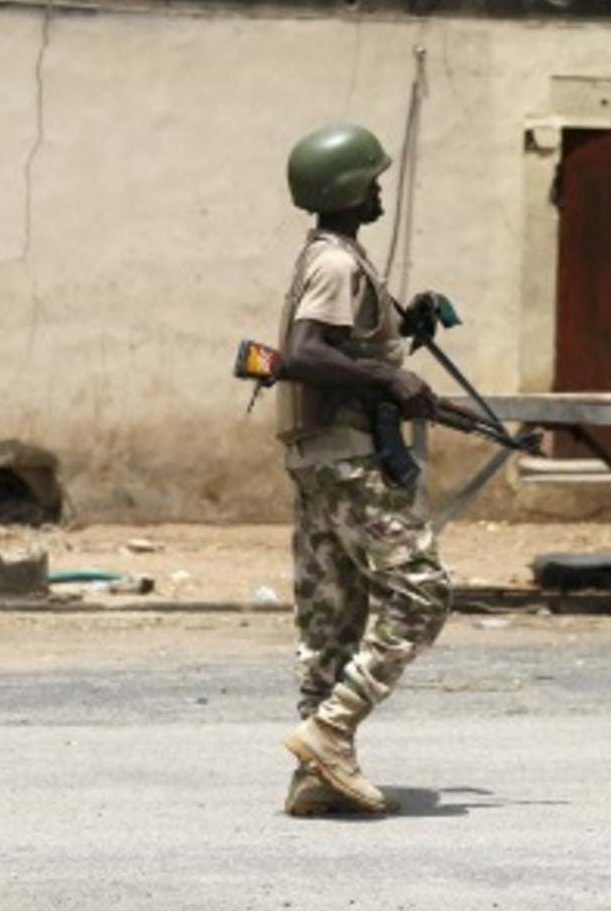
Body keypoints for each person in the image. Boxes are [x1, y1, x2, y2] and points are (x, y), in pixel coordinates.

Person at [273, 121, 454, 817]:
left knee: (332, 615)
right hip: (350, 458)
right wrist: (392, 384)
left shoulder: (332, 256)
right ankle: (331, 729)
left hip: (318, 455)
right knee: (421, 591)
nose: (380, 188)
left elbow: (338, 343)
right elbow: (304, 353)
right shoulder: (338, 263)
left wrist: (404, 330)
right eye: (371, 179)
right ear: (348, 187)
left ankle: (319, 776)